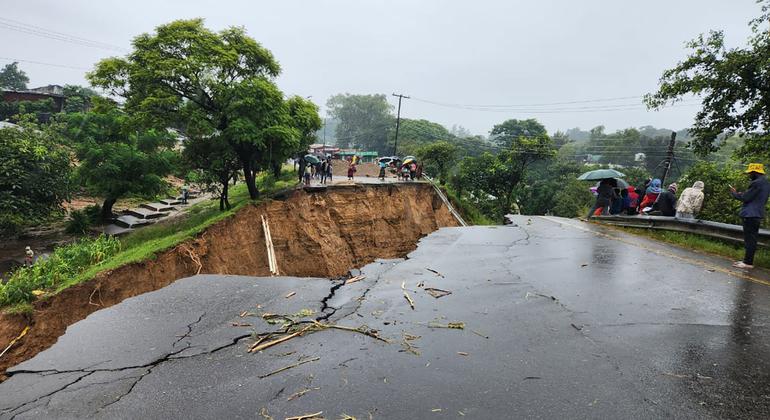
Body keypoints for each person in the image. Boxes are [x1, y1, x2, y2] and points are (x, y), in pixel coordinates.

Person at [730, 163, 770, 269]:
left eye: (750, 173)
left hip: (750, 214)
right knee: (752, 238)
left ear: (755, 172)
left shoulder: (756, 183)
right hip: (757, 213)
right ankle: (747, 261)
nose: (749, 175)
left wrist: (735, 194)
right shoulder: (765, 183)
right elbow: (755, 196)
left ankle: (747, 262)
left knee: (749, 240)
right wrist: (744, 193)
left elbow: (746, 198)